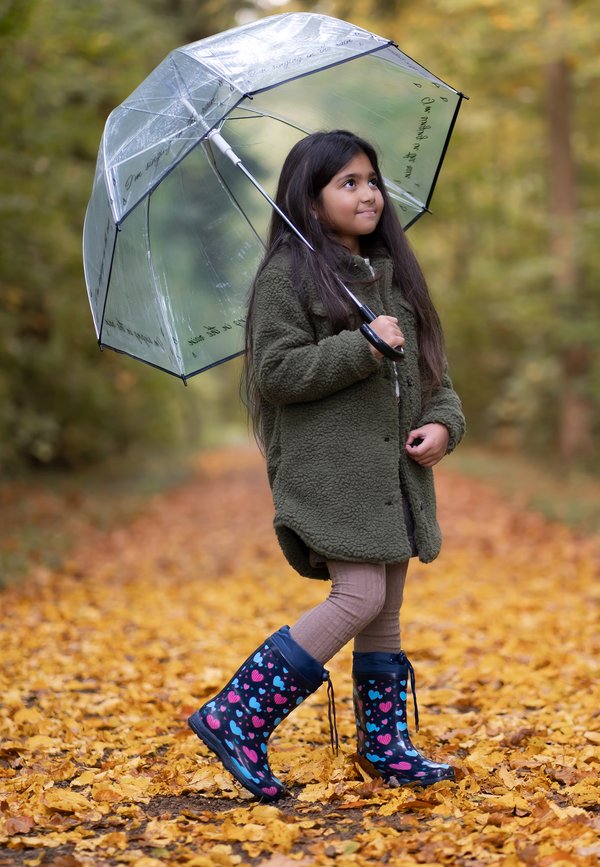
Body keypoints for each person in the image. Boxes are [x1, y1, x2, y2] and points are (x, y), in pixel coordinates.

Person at [188, 129, 465, 800]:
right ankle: (236, 714)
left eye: (372, 180)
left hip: (395, 477)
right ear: (310, 202)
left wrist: (441, 425)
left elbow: (434, 378)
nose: (368, 193)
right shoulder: (287, 277)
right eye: (348, 183)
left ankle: (385, 746)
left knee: (385, 606)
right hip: (333, 474)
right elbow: (276, 372)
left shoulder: (395, 277)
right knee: (359, 595)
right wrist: (362, 347)